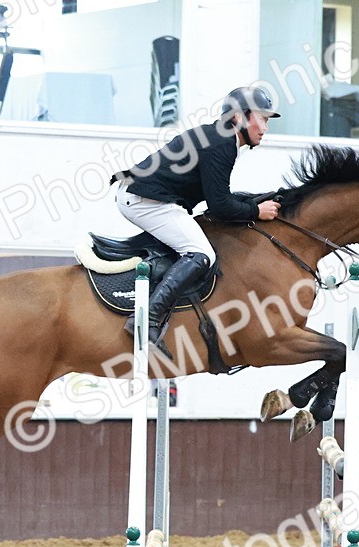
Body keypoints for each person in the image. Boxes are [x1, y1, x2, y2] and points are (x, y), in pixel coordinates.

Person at [115, 85, 282, 351]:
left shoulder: (221, 138)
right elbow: (219, 207)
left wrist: (252, 201)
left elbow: (219, 196)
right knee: (201, 253)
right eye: (262, 119)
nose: (266, 128)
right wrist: (255, 211)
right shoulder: (221, 144)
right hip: (144, 201)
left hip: (144, 195)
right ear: (239, 117)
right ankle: (147, 320)